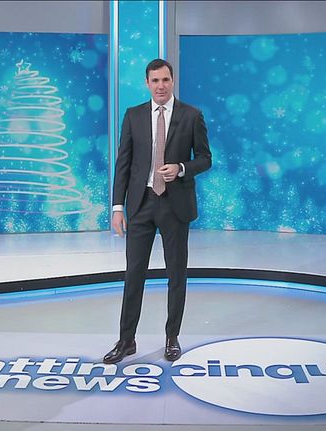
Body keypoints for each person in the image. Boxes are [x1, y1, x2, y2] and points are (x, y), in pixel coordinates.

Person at [103, 58, 212, 364]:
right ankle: (126, 340)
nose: (160, 86)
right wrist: (117, 207)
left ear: (172, 81)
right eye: (155, 81)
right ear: (147, 83)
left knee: (176, 274)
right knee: (133, 274)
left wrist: (181, 168)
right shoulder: (133, 115)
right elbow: (123, 164)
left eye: (165, 80)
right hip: (141, 205)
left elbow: (205, 158)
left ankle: (172, 337)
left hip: (175, 206)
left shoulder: (191, 115)